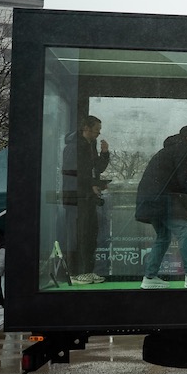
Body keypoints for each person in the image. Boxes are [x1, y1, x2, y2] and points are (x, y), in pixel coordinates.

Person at [135, 124, 187, 289]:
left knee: (163, 236)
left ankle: (149, 277)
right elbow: (184, 180)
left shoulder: (169, 151)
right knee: (186, 229)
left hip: (149, 200)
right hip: (161, 199)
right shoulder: (183, 151)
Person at [63, 115, 111, 285]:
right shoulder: (74, 147)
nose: (98, 134)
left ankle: (88, 270)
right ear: (86, 128)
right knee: (80, 234)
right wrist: (92, 184)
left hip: (87, 197)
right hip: (77, 198)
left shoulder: (90, 146)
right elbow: (75, 172)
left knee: (91, 234)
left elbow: (97, 168)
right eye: (97, 130)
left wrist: (105, 153)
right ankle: (76, 272)